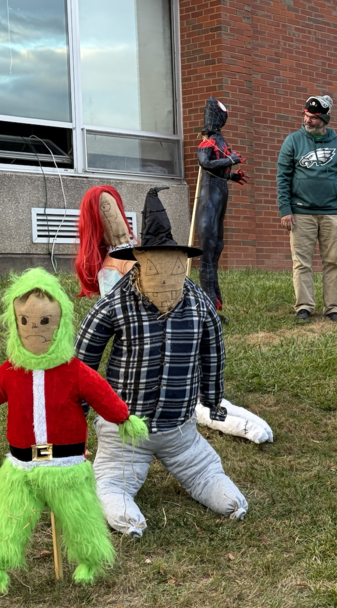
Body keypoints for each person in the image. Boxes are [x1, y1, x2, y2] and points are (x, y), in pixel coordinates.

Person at [0, 268, 146, 594]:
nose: (34, 330)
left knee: (80, 516)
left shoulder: (74, 371)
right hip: (22, 467)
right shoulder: (11, 372)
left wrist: (122, 417)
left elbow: (101, 394)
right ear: (15, 324)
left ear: (60, 324)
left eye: (44, 322)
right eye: (25, 322)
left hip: (67, 466)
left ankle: (90, 560)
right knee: (8, 517)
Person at [75, 188, 248, 537]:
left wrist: (212, 399)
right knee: (112, 481)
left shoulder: (199, 304)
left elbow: (213, 353)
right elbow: (84, 356)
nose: (167, 275)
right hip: (125, 427)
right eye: (155, 265)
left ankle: (217, 489)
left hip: (179, 428)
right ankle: (118, 500)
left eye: (174, 265)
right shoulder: (117, 302)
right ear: (139, 261)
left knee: (205, 470)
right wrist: (75, 407)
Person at [277, 94, 337, 322]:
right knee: (301, 262)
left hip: (333, 213)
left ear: (325, 119)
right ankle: (304, 306)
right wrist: (285, 209)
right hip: (300, 212)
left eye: (313, 117)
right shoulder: (292, 141)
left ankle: (332, 308)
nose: (308, 120)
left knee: (333, 262)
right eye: (306, 115)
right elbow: (283, 177)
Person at [196, 97, 249, 319]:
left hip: (219, 198)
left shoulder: (219, 140)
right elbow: (205, 163)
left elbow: (216, 171)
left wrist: (231, 175)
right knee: (208, 251)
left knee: (217, 247)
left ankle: (214, 302)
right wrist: (231, 161)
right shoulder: (208, 141)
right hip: (209, 200)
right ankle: (208, 307)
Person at [74, 186, 137, 298]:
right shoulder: (110, 269)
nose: (114, 216)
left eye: (116, 208)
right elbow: (112, 305)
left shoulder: (124, 258)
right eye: (105, 208)